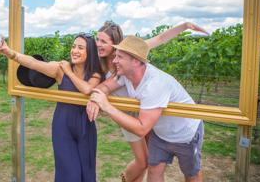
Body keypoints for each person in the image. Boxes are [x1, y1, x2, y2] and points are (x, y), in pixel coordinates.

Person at [88, 21, 207, 182]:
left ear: (136, 61)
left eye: (119, 57)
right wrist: (96, 99)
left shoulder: (153, 83)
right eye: (97, 39)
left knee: (191, 174)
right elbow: (104, 86)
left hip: (184, 132)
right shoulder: (122, 71)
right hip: (156, 128)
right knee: (152, 169)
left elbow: (160, 38)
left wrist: (184, 26)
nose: (115, 61)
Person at [0, 33, 103, 182]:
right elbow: (33, 63)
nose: (74, 51)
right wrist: (10, 52)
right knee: (70, 175)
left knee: (87, 174)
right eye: (73, 46)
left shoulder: (95, 74)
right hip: (63, 127)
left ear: (89, 52)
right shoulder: (59, 69)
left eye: (80, 48)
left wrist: (69, 72)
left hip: (86, 127)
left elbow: (86, 89)